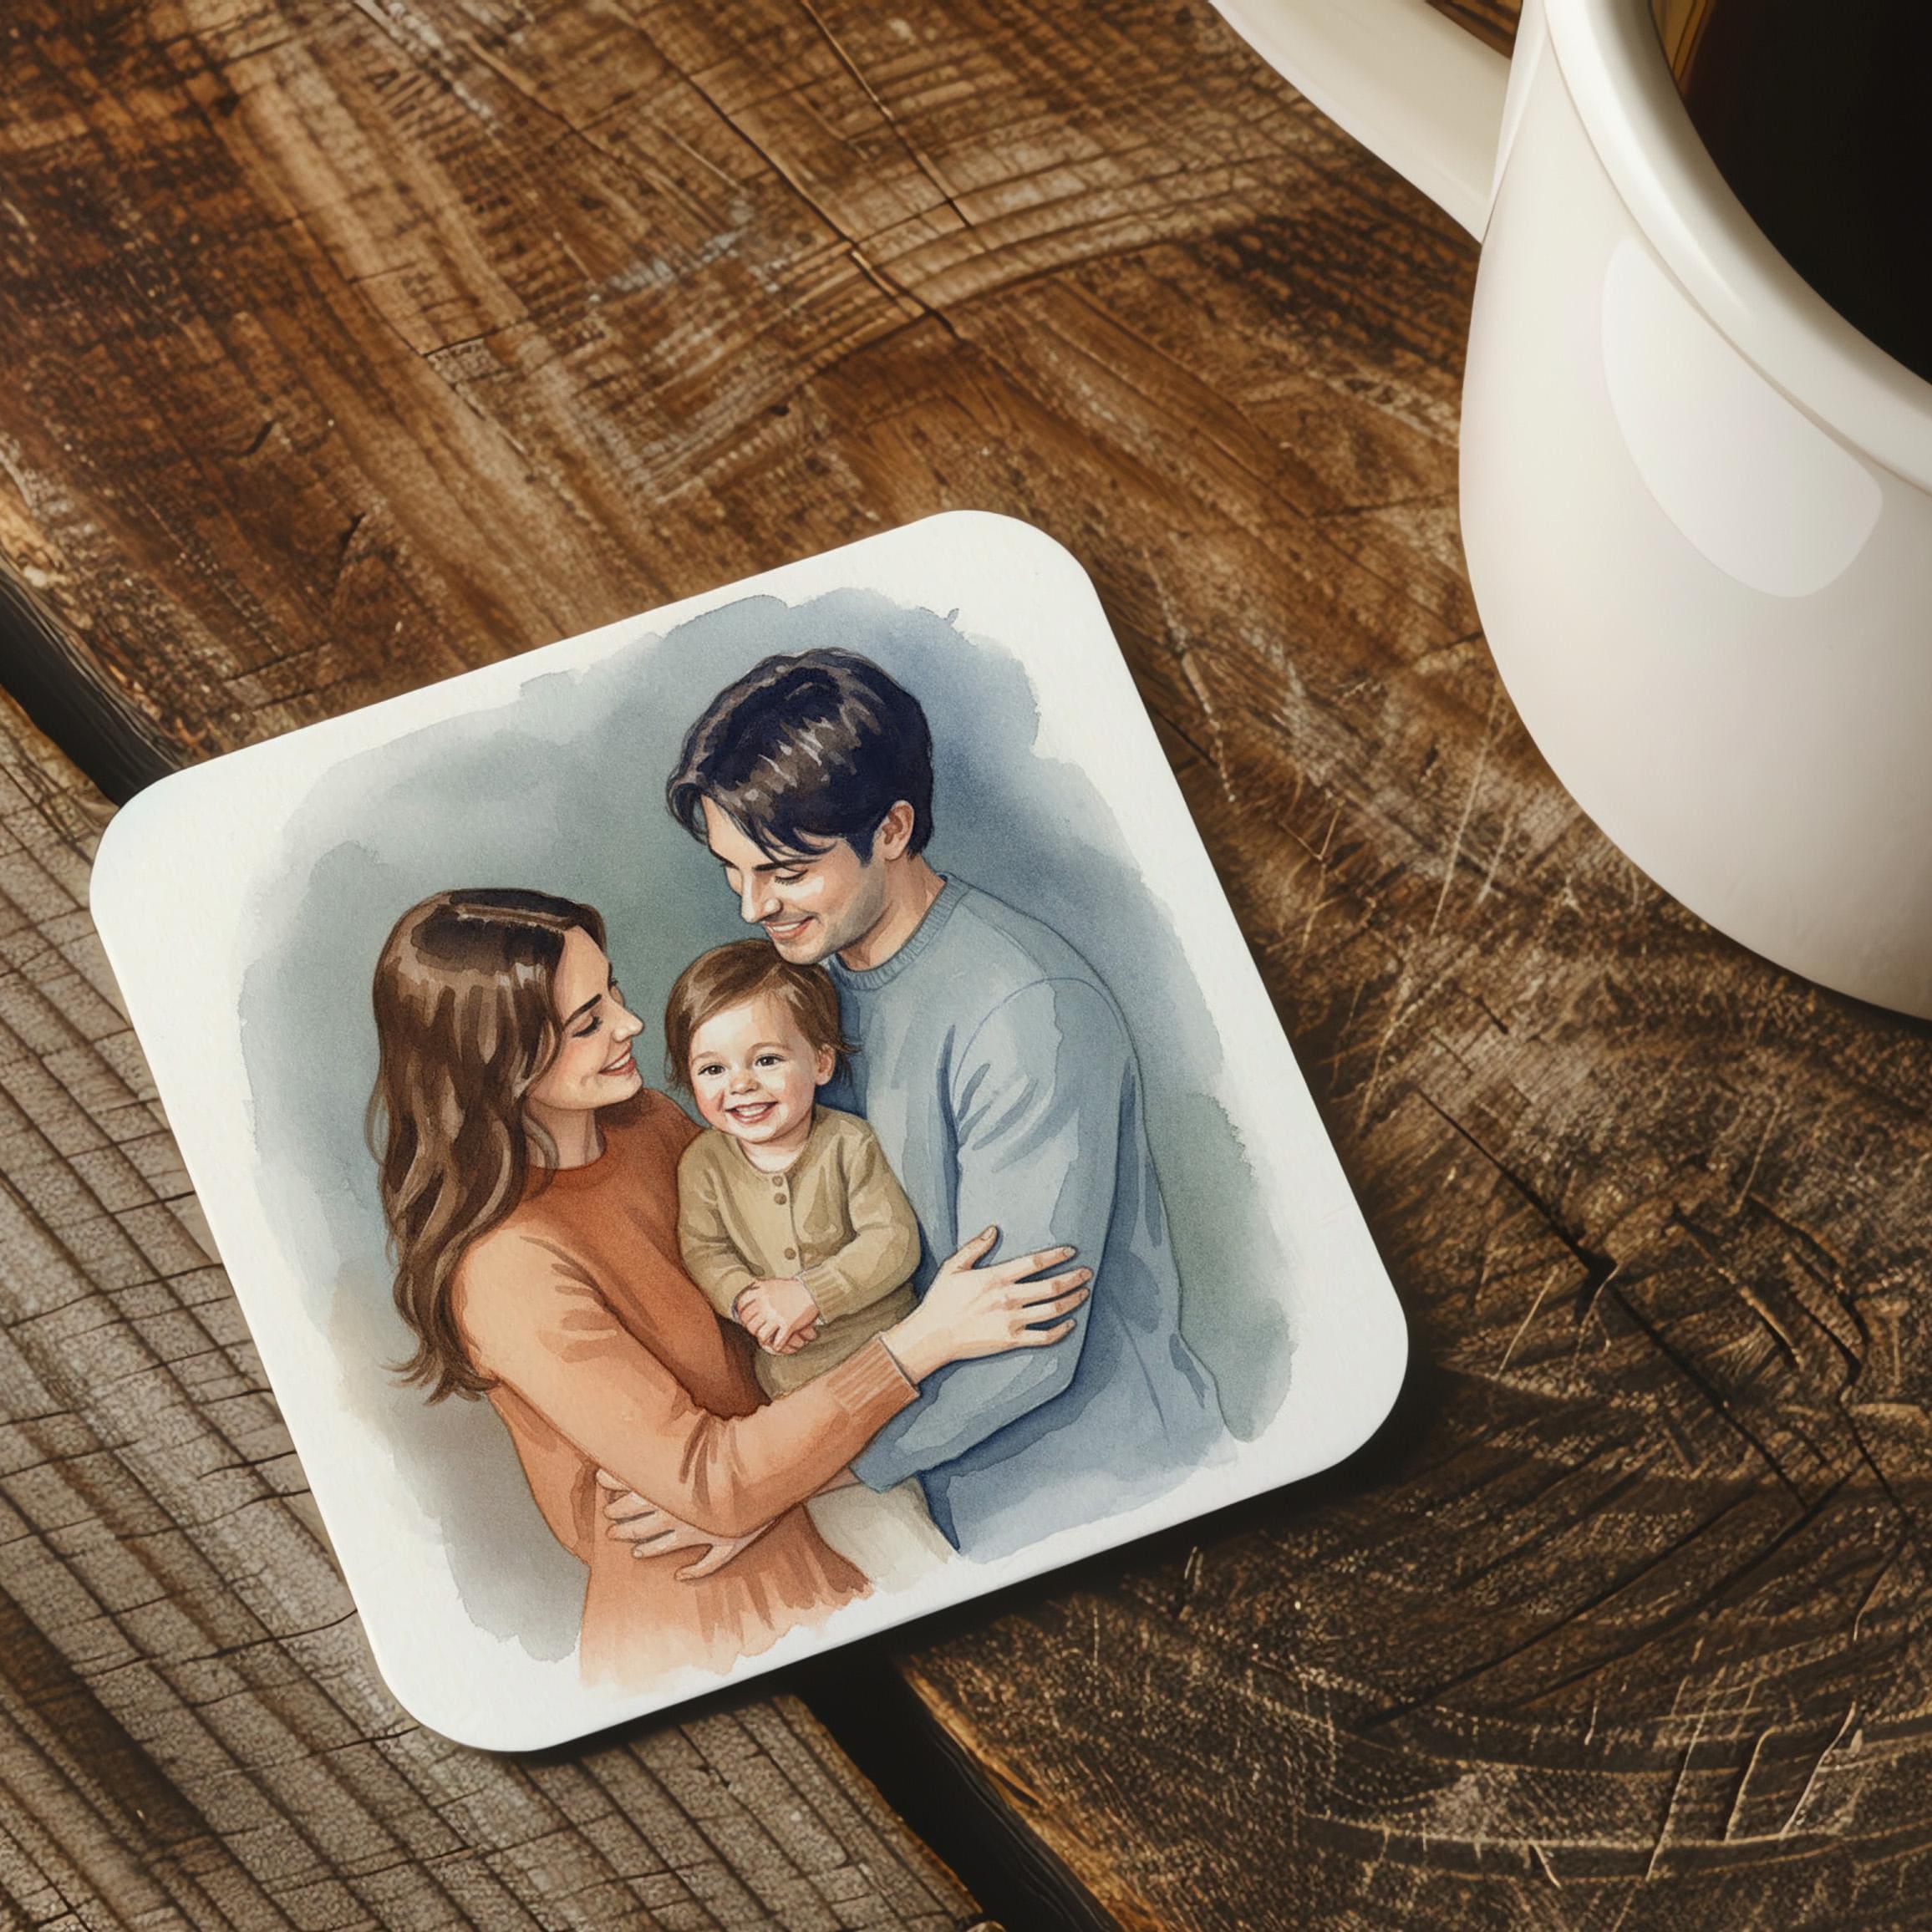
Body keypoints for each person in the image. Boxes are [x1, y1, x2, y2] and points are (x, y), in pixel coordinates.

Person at [369, 887, 1090, 1688]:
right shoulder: (507, 1268)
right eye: (588, 1023)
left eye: (613, 992)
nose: (630, 1026)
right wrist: (922, 1342)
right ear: (496, 1061)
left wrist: (763, 1492)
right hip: (703, 1627)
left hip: (820, 1535)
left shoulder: (649, 1128)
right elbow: (712, 1484)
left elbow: (755, 1384)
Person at [649, 649, 1229, 1562]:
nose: (754, 903)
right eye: (734, 870)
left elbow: (1027, 1347)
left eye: (786, 871)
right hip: (928, 1504)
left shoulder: (1023, 1009)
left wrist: (775, 1486)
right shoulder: (811, 987)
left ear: (892, 828)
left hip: (1101, 1502)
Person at [666, 938, 953, 1587]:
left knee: (916, 1538)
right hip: (799, 1399)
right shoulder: (704, 1165)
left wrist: (811, 1294)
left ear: (820, 1062)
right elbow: (704, 1251)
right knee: (855, 1540)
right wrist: (746, 1301)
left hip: (902, 1383)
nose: (740, 1085)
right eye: (712, 1070)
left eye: (766, 1059)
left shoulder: (847, 1144)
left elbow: (893, 1242)